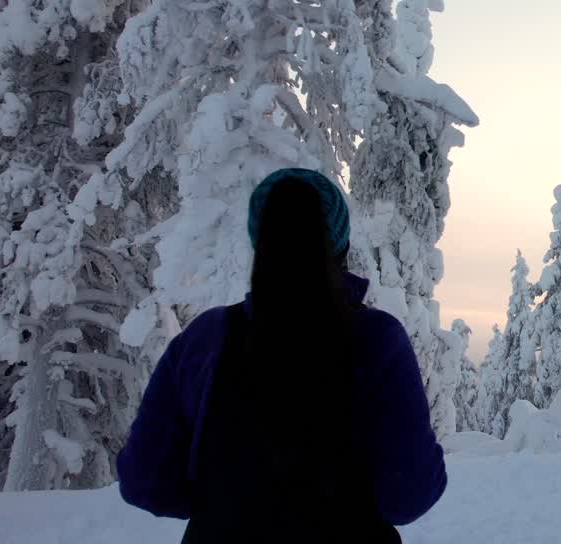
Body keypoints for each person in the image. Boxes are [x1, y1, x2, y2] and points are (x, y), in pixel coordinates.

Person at [118, 169, 447, 543]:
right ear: (340, 245)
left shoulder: (204, 340)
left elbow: (144, 480)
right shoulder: (378, 340)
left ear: (259, 241)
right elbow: (409, 496)